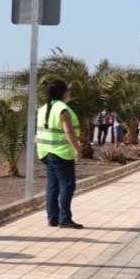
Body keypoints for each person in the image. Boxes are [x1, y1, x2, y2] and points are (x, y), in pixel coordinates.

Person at [36, 81, 83, 229]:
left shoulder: (43, 108)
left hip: (45, 151)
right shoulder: (63, 109)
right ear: (62, 93)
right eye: (68, 90)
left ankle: (53, 218)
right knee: (67, 185)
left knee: (53, 185)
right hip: (61, 153)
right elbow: (68, 132)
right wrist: (77, 149)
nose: (69, 93)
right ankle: (65, 218)